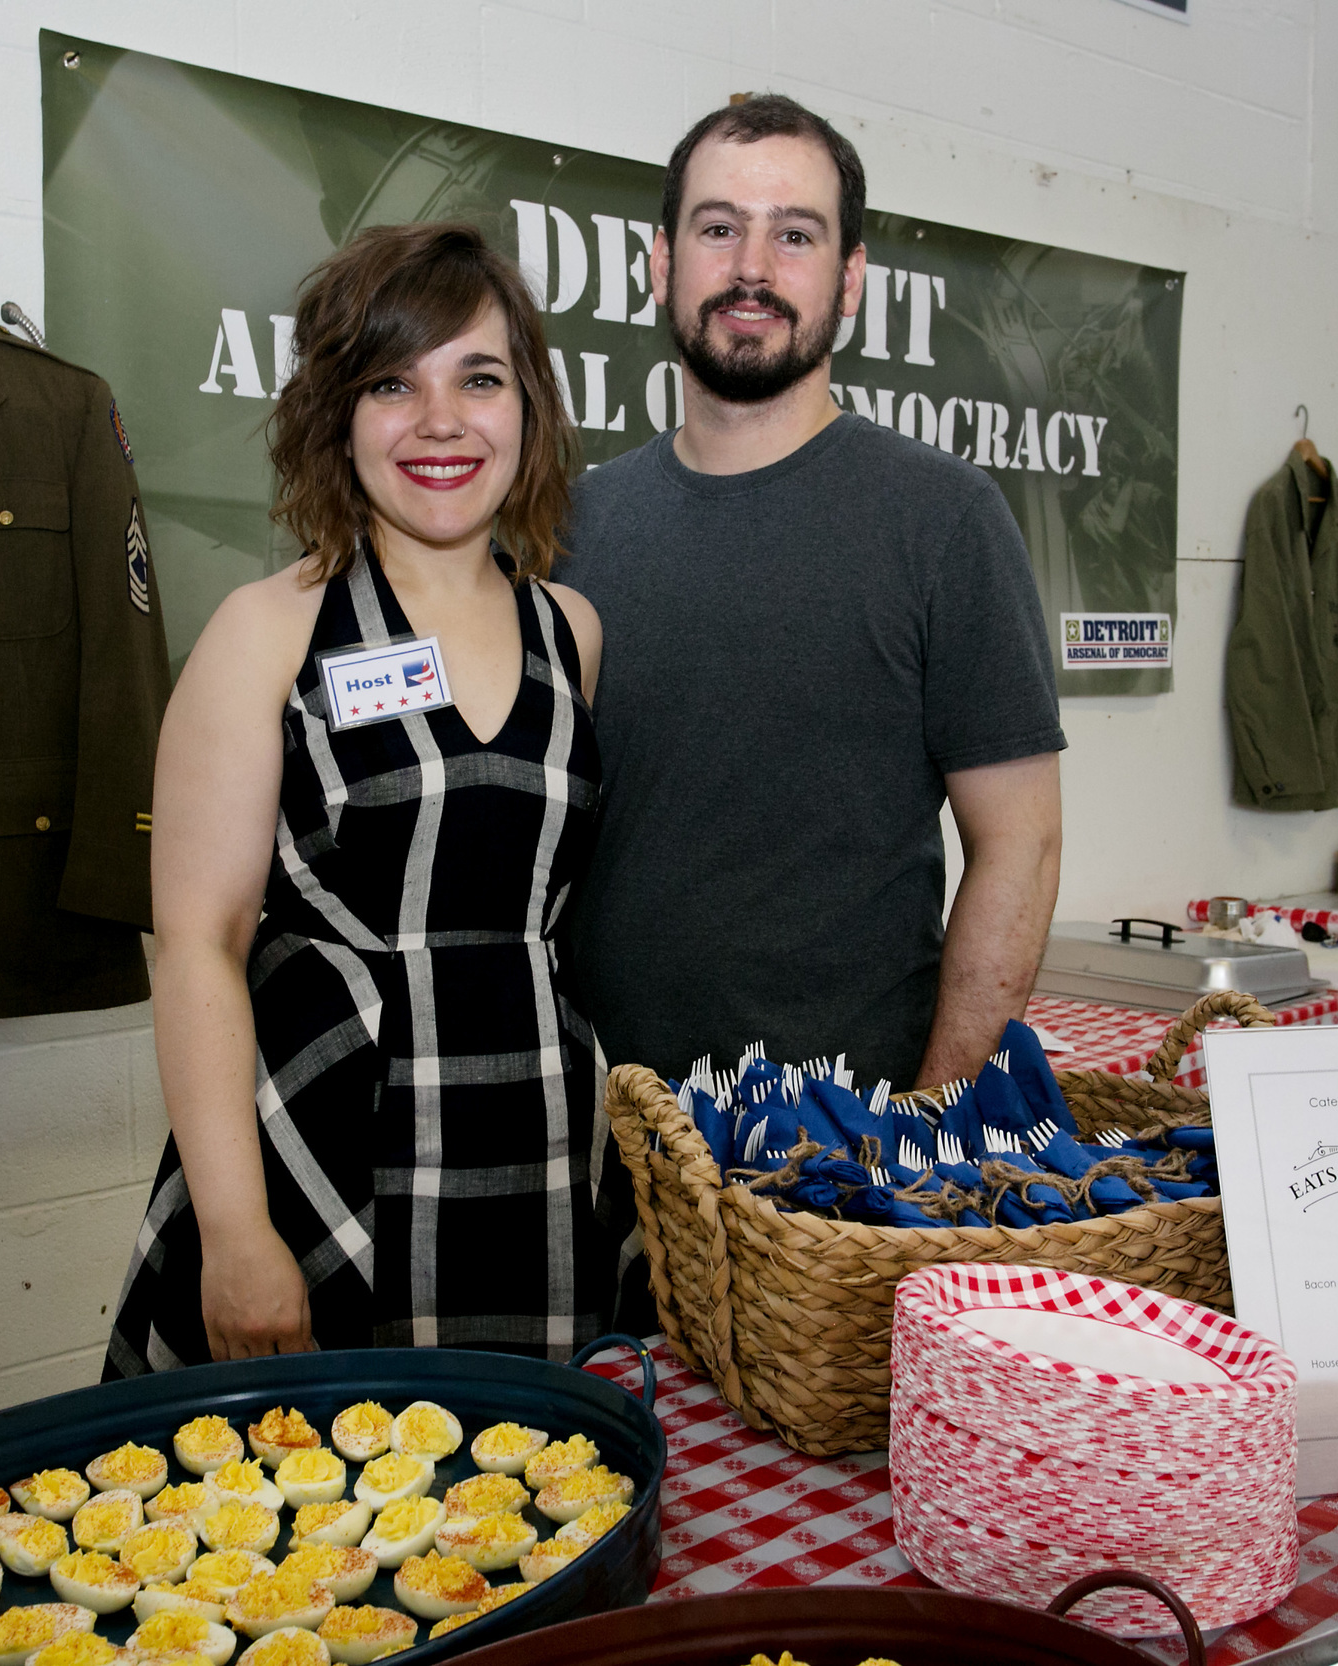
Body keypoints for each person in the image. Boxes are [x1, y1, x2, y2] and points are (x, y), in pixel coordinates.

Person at [106, 222, 617, 1372]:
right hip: (318, 1154)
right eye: (394, 382)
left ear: (526, 407)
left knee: (528, 1513)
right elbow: (197, 943)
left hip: (532, 1147)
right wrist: (235, 1235)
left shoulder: (570, 633)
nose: (441, 421)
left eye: (477, 379)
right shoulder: (268, 630)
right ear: (338, 413)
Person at [563, 95, 1066, 1095]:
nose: (752, 267)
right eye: (719, 229)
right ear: (660, 262)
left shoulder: (944, 521)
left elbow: (1021, 842)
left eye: (794, 235)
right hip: (596, 1144)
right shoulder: (569, 526)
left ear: (851, 278)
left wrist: (931, 1119)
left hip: (841, 1163)